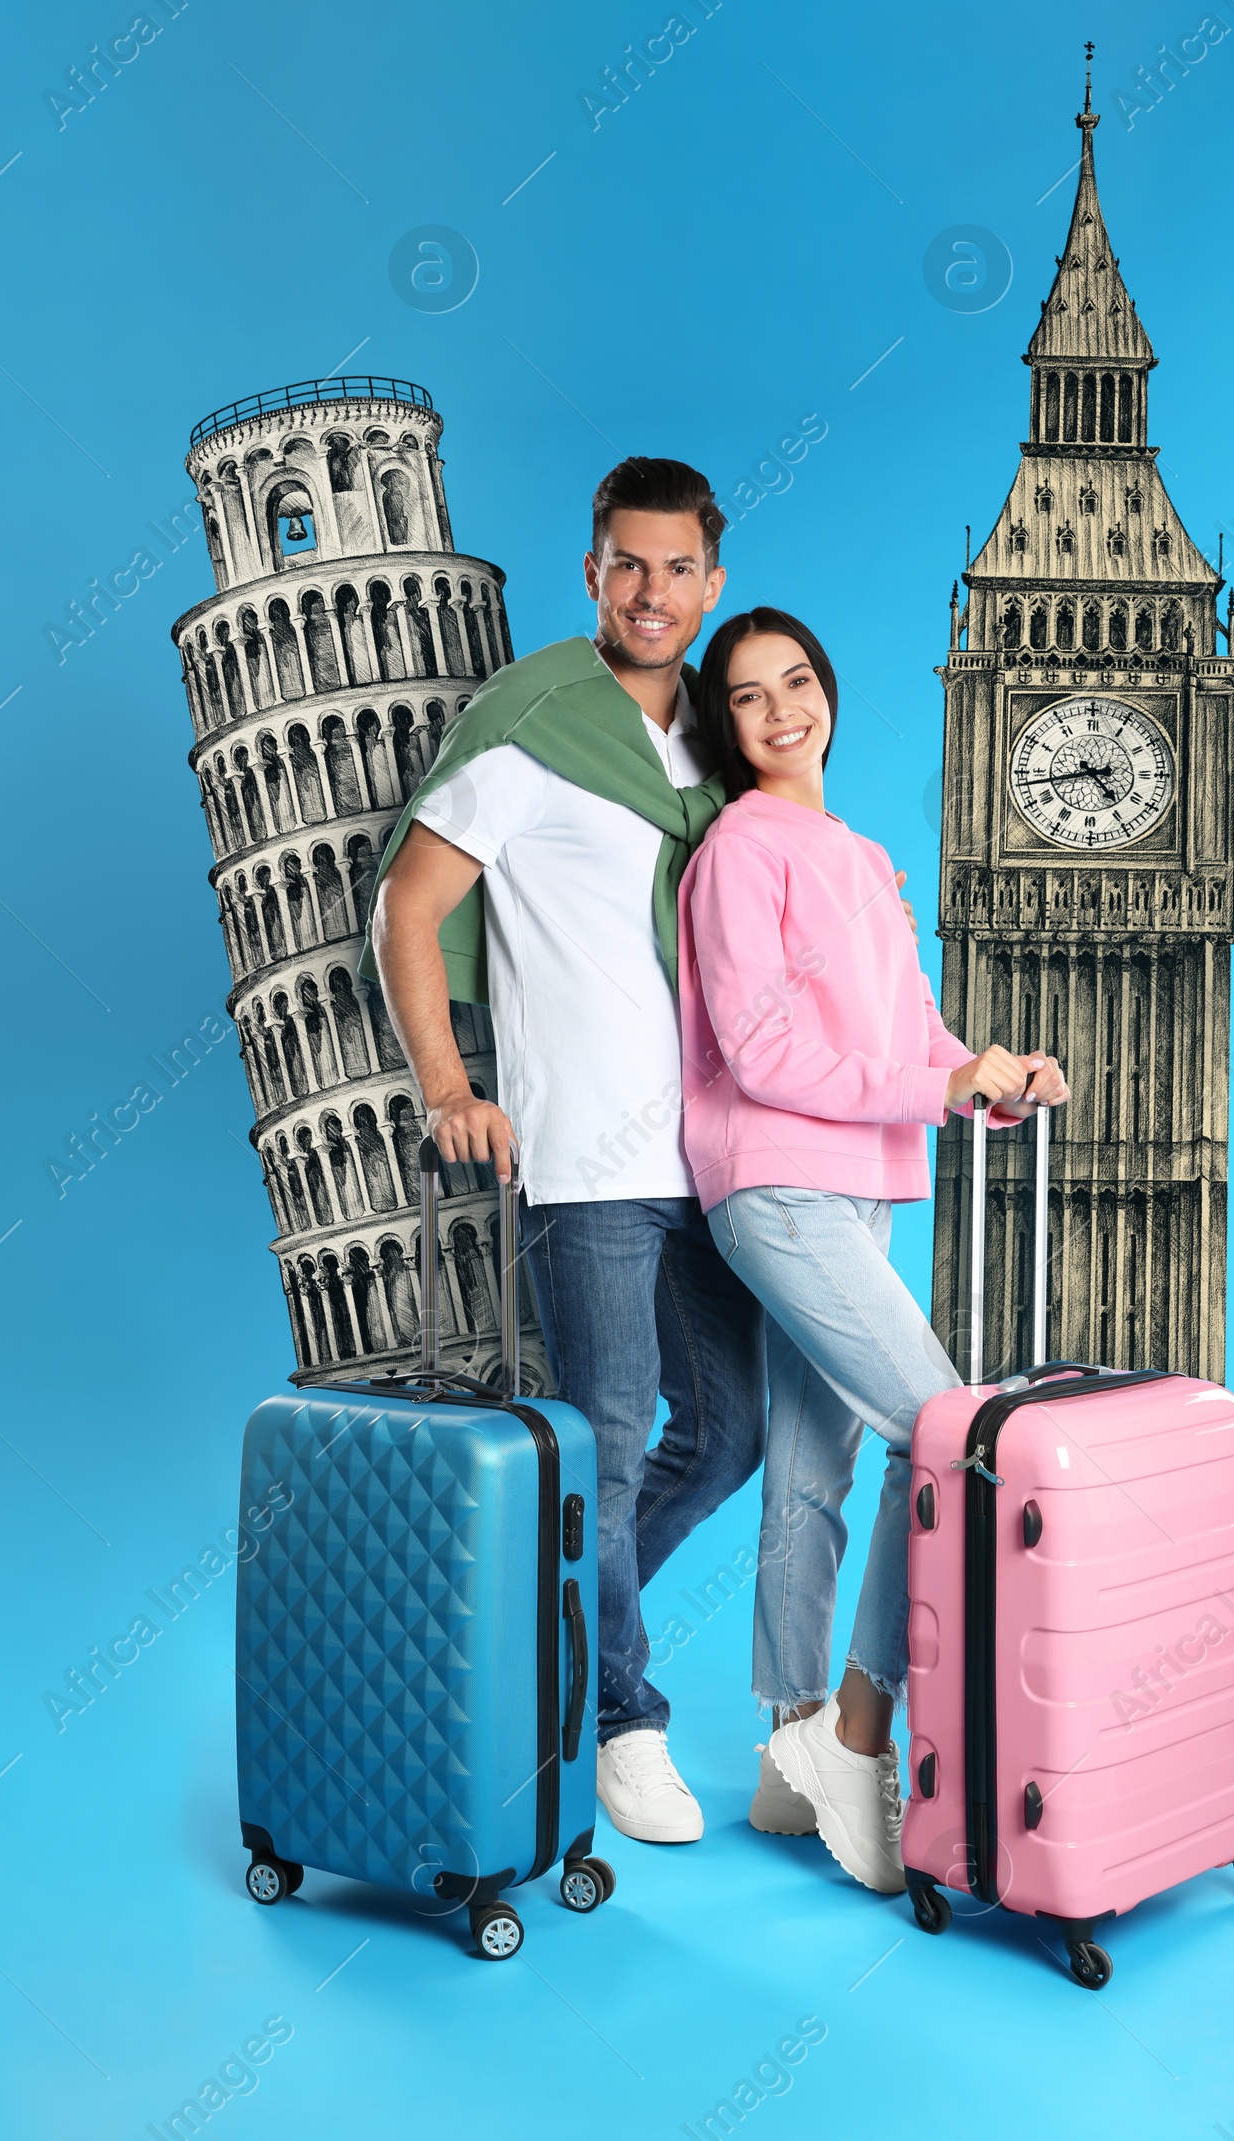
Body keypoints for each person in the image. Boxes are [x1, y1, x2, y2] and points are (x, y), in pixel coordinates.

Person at [364, 460, 770, 1846]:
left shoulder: (715, 751)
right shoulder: (529, 724)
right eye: (626, 565)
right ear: (590, 574)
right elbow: (408, 907)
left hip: (716, 1153)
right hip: (587, 1159)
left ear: (710, 584)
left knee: (730, 1435)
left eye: (678, 570)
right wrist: (445, 1088)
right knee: (601, 1444)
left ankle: (546, 1647)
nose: (652, 594)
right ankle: (619, 1721)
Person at [677, 607, 1069, 1893]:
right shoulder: (741, 849)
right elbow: (766, 1052)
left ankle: (788, 1753)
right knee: (946, 1433)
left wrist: (988, 1079)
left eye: (798, 679)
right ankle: (857, 1732)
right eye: (747, 696)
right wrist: (941, 1083)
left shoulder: (855, 851)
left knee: (809, 1476)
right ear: (723, 728)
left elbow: (912, 1031)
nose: (782, 708)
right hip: (780, 1184)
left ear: (828, 691)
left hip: (855, 1185)